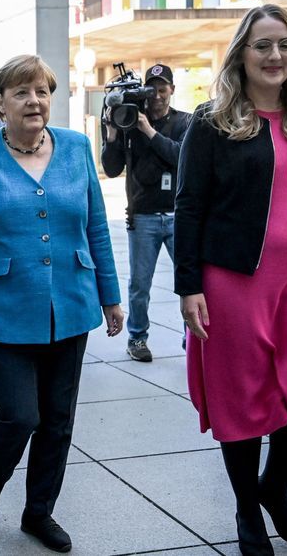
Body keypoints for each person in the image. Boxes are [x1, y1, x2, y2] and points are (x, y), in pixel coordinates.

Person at [0, 54, 123, 553]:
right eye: (20, 92)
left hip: (72, 302)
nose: (34, 101)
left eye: (41, 90)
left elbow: (96, 227)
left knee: (58, 419)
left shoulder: (78, 147)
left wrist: (110, 294)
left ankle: (38, 512)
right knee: (19, 414)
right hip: (0, 308)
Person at [175, 4, 287, 555]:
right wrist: (188, 285)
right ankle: (249, 511)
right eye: (263, 45)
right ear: (241, 54)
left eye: (285, 45)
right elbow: (189, 206)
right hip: (235, 280)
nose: (275, 56)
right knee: (242, 400)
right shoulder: (212, 121)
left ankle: (274, 487)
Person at [101, 64, 192, 362]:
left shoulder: (184, 122)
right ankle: (137, 338)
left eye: (162, 89)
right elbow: (112, 168)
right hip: (142, 215)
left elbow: (181, 157)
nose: (156, 96)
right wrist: (113, 133)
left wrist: (148, 131)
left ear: (172, 90)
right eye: (151, 89)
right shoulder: (128, 121)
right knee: (140, 284)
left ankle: (190, 337)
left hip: (179, 215)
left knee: (188, 282)